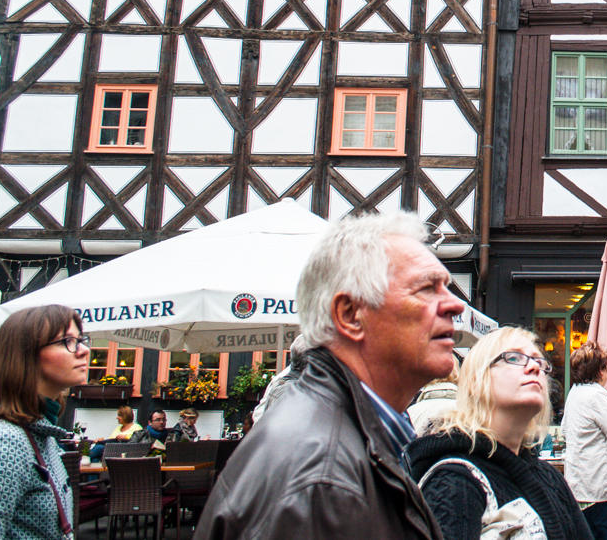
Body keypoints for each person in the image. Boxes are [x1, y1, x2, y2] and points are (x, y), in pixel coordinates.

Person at [196, 210, 464, 540]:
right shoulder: (322, 478)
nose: (455, 304)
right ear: (350, 315)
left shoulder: (337, 444)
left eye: (446, 287)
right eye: (426, 288)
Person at [409, 326, 592, 540]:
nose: (534, 367)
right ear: (476, 381)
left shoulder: (551, 479)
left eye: (539, 361)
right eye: (514, 358)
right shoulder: (455, 482)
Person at [0, 304, 89, 540]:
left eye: (80, 340)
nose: (84, 350)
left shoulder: (40, 433)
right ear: (25, 355)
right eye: (68, 341)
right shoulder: (5, 441)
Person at [559, 343, 607, 540]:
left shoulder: (574, 394)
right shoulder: (597, 396)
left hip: (581, 486)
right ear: (601, 371)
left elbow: (564, 431)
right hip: (603, 487)